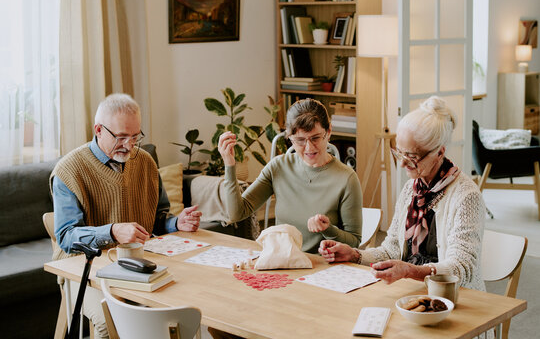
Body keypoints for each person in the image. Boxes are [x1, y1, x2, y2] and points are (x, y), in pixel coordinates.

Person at [51, 93, 201, 338]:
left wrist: (177, 222)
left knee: (187, 304)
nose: (129, 145)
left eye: (135, 137)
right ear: (98, 130)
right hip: (83, 271)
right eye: (121, 137)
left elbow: (157, 219)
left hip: (137, 265)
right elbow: (67, 238)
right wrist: (111, 231)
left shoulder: (145, 162)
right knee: (112, 322)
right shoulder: (69, 170)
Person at [319, 96, 487, 291]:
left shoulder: (466, 197)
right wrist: (354, 255)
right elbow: (392, 250)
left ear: (440, 152)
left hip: (455, 297)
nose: (402, 163)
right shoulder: (412, 189)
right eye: (399, 153)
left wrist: (410, 271)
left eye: (412, 157)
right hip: (411, 290)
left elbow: (461, 268)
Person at [218, 98, 362, 254]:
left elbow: (354, 241)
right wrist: (229, 165)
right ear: (290, 138)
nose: (309, 147)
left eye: (315, 138)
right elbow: (237, 213)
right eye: (300, 140)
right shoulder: (278, 167)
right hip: (282, 261)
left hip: (323, 266)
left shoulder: (347, 178)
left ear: (328, 132)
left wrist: (328, 229)